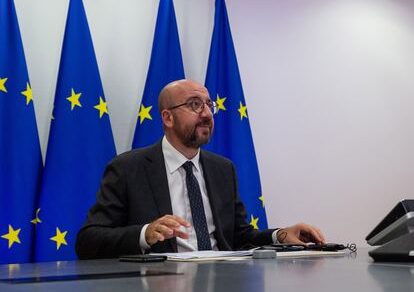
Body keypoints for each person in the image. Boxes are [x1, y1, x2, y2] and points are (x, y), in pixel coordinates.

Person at [76, 79, 325, 259]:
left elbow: (240, 236)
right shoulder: (128, 168)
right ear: (167, 118)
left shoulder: (222, 169)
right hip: (160, 283)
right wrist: (145, 234)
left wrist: (280, 235)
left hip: (223, 281)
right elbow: (88, 241)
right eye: (195, 105)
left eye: (208, 105)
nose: (206, 114)